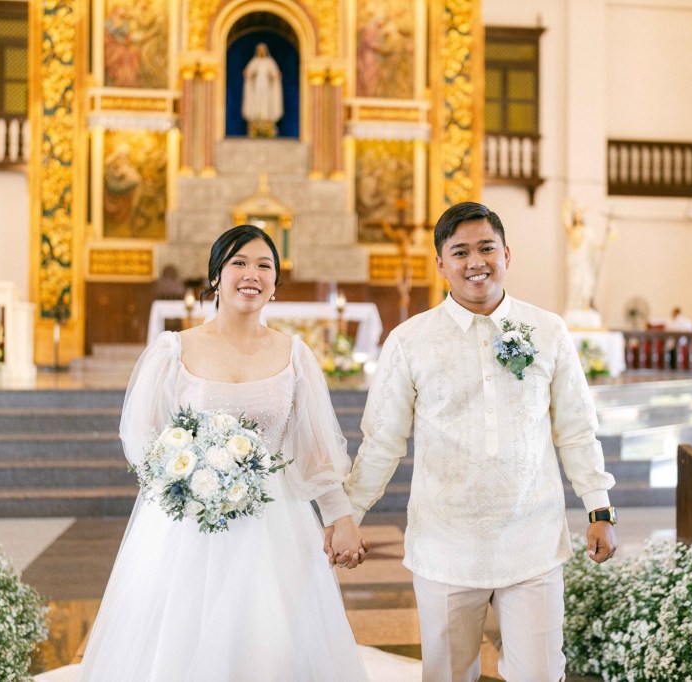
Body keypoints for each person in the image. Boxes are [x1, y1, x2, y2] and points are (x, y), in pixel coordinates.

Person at [337, 201, 618, 682]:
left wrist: (599, 508)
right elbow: (382, 440)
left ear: (507, 254)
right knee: (447, 675)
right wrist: (350, 516)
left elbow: (575, 428)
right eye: (460, 252)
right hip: (445, 542)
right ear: (441, 263)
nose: (475, 262)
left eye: (486, 248)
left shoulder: (547, 331)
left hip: (532, 538)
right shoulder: (409, 340)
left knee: (541, 675)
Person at [78, 225, 369, 680]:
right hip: (188, 523)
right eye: (239, 263)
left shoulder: (295, 354)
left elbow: (315, 449)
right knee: (182, 637)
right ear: (216, 275)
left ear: (275, 283)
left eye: (264, 265)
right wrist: (188, 474)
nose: (252, 274)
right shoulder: (173, 350)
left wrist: (340, 517)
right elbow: (144, 441)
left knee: (269, 637)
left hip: (274, 520)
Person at [241, 43, 283, 137]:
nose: (261, 52)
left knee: (266, 102)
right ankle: (256, 122)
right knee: (257, 102)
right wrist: (248, 73)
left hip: (266, 85)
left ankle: (267, 121)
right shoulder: (255, 61)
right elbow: (249, 72)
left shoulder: (269, 62)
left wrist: (276, 76)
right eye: (259, 50)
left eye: (262, 50)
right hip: (257, 86)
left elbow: (274, 73)